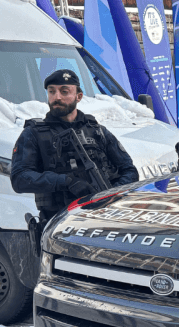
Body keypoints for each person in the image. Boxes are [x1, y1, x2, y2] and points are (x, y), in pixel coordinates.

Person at [11, 69, 138, 224]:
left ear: (79, 96)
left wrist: (110, 195)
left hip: (104, 217)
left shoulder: (97, 131)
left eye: (64, 92)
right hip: (60, 222)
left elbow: (130, 171)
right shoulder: (34, 134)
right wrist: (67, 182)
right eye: (52, 92)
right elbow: (19, 179)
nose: (57, 97)